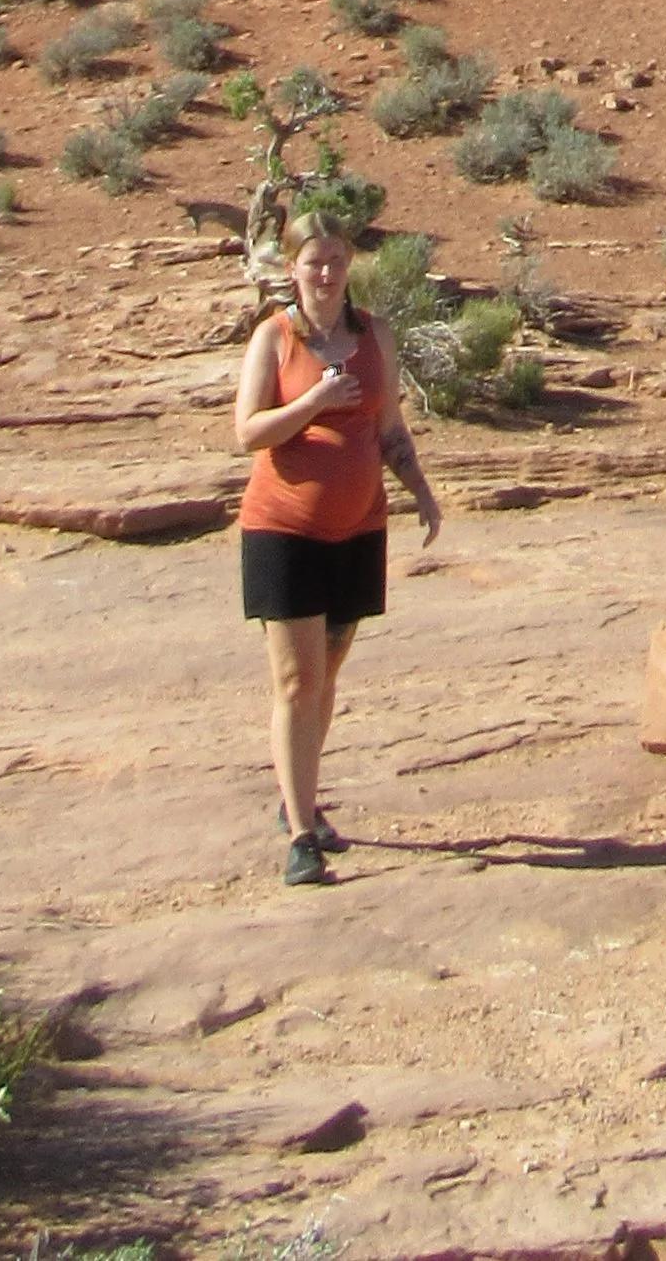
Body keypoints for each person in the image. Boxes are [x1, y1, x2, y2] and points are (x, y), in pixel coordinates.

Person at [234, 213, 441, 885]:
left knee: (327, 675)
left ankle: (300, 797)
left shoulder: (374, 335)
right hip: (283, 530)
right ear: (290, 268)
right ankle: (301, 838)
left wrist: (422, 491)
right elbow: (249, 432)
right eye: (313, 262)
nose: (326, 274)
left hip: (358, 529)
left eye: (336, 262)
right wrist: (316, 401)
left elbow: (389, 428)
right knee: (296, 682)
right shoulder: (274, 338)